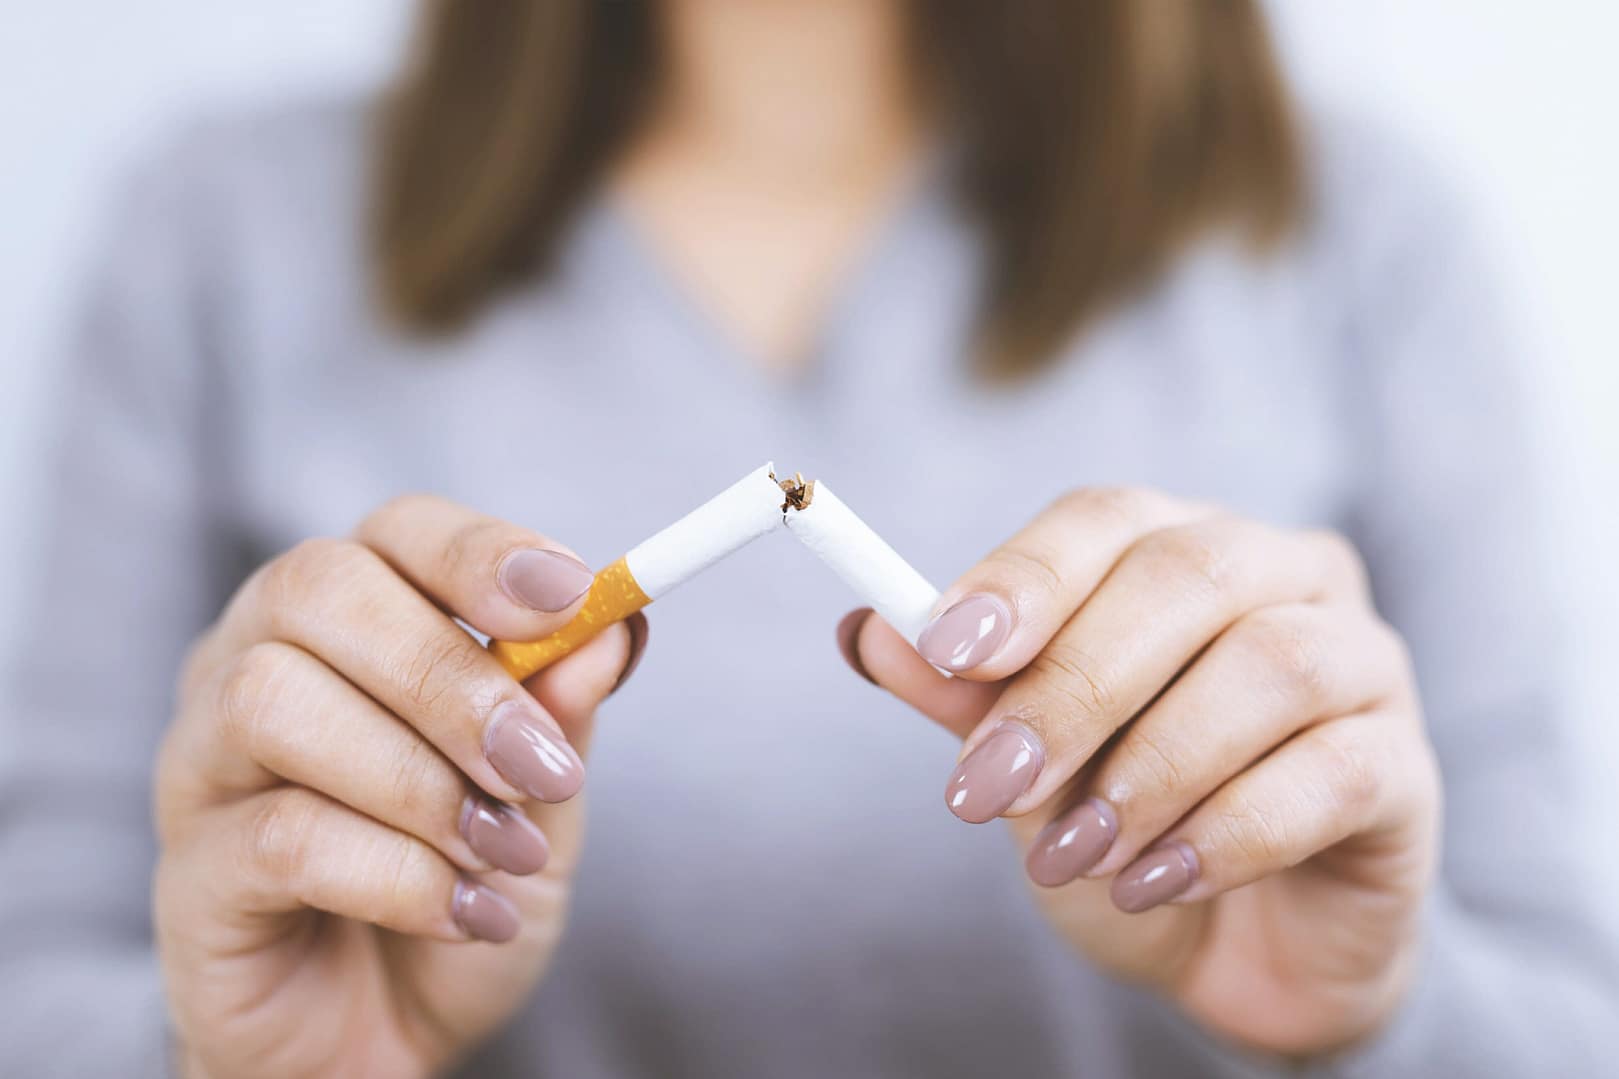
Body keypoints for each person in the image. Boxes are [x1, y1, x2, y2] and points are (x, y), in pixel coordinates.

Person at [3, 1, 1615, 1076]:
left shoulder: (1354, 235)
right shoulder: (225, 233)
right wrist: (215, 1059)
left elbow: (1569, 1018)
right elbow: (37, 984)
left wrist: (1370, 1022)